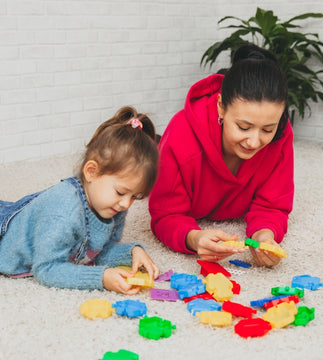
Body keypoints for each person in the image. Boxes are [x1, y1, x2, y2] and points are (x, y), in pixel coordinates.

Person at [149, 44, 294, 267]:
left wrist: (265, 236)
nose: (254, 142)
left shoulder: (281, 135)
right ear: (221, 107)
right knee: (146, 159)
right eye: (244, 127)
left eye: (267, 129)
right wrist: (193, 237)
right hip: (171, 147)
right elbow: (165, 214)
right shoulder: (182, 137)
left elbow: (273, 205)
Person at [0, 106, 160, 294]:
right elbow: (46, 268)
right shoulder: (63, 214)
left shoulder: (115, 206)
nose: (126, 203)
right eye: (120, 192)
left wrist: (132, 252)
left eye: (134, 196)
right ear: (91, 172)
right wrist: (100, 278)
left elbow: (98, 252)